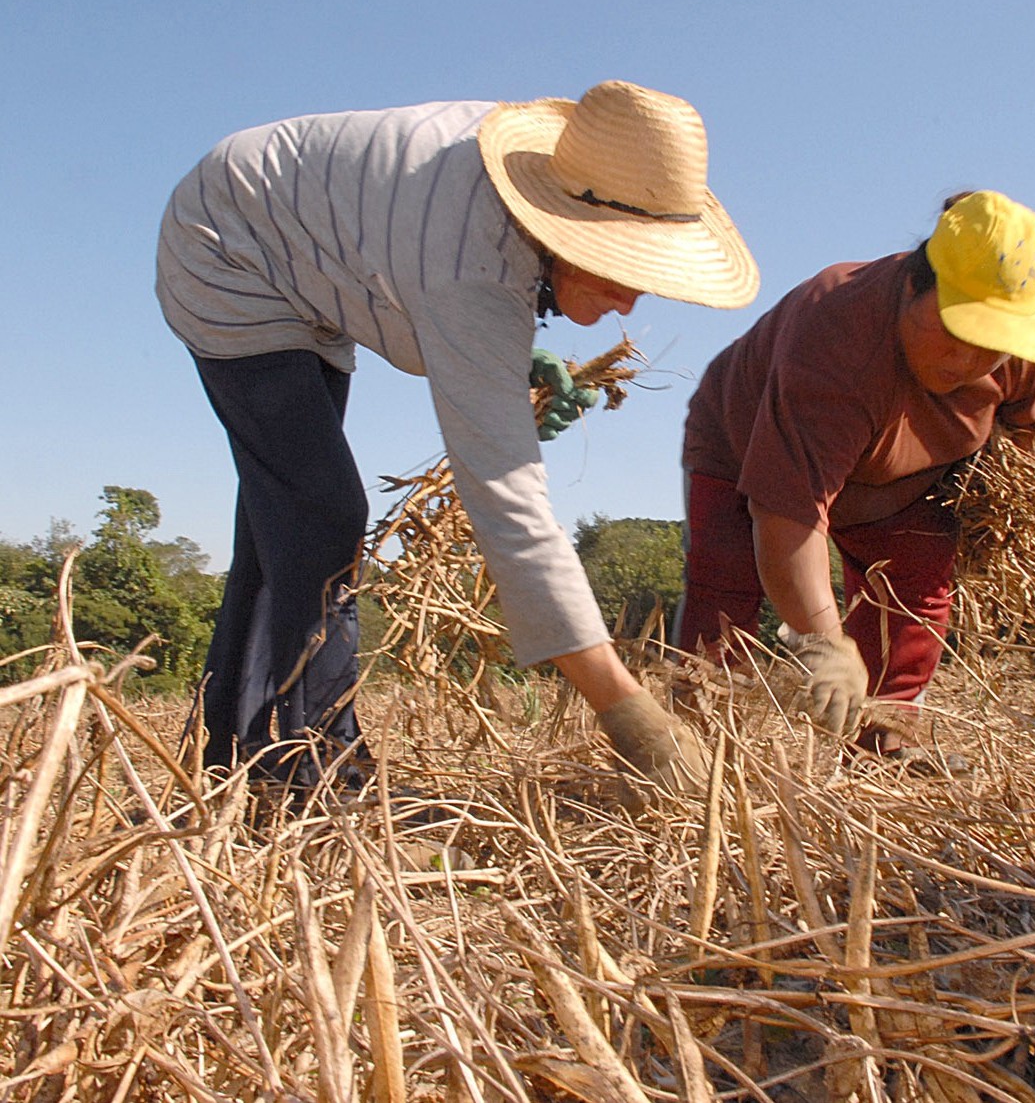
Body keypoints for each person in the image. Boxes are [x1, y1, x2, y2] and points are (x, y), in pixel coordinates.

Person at [156, 80, 759, 793]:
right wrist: (627, 711)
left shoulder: (535, 193)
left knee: (281, 527)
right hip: (228, 248)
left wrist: (509, 359)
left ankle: (238, 762)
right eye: (623, 267)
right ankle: (324, 777)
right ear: (564, 224)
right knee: (320, 514)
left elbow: (436, 287)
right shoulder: (469, 260)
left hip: (302, 248)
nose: (632, 298)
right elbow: (507, 501)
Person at [673, 190, 1035, 755]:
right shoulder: (837, 333)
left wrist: (993, 511)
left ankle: (886, 741)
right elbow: (788, 516)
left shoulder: (1023, 348)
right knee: (724, 590)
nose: (967, 362)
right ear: (912, 284)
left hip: (903, 479)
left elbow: (1028, 428)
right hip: (742, 450)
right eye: (955, 331)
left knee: (913, 598)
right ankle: (693, 743)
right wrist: (823, 643)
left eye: (992, 347)